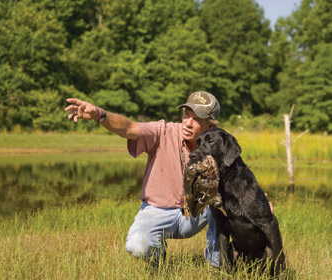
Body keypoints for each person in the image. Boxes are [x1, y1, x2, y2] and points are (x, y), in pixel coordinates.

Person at [65, 91, 275, 266]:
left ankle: (217, 261)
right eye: (186, 114)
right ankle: (158, 259)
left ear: (211, 126)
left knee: (217, 203)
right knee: (137, 245)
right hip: (158, 210)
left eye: (196, 119)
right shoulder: (163, 132)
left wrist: (257, 204)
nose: (188, 123)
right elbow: (129, 128)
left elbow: (237, 184)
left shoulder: (218, 144)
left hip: (196, 212)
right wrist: (100, 115)